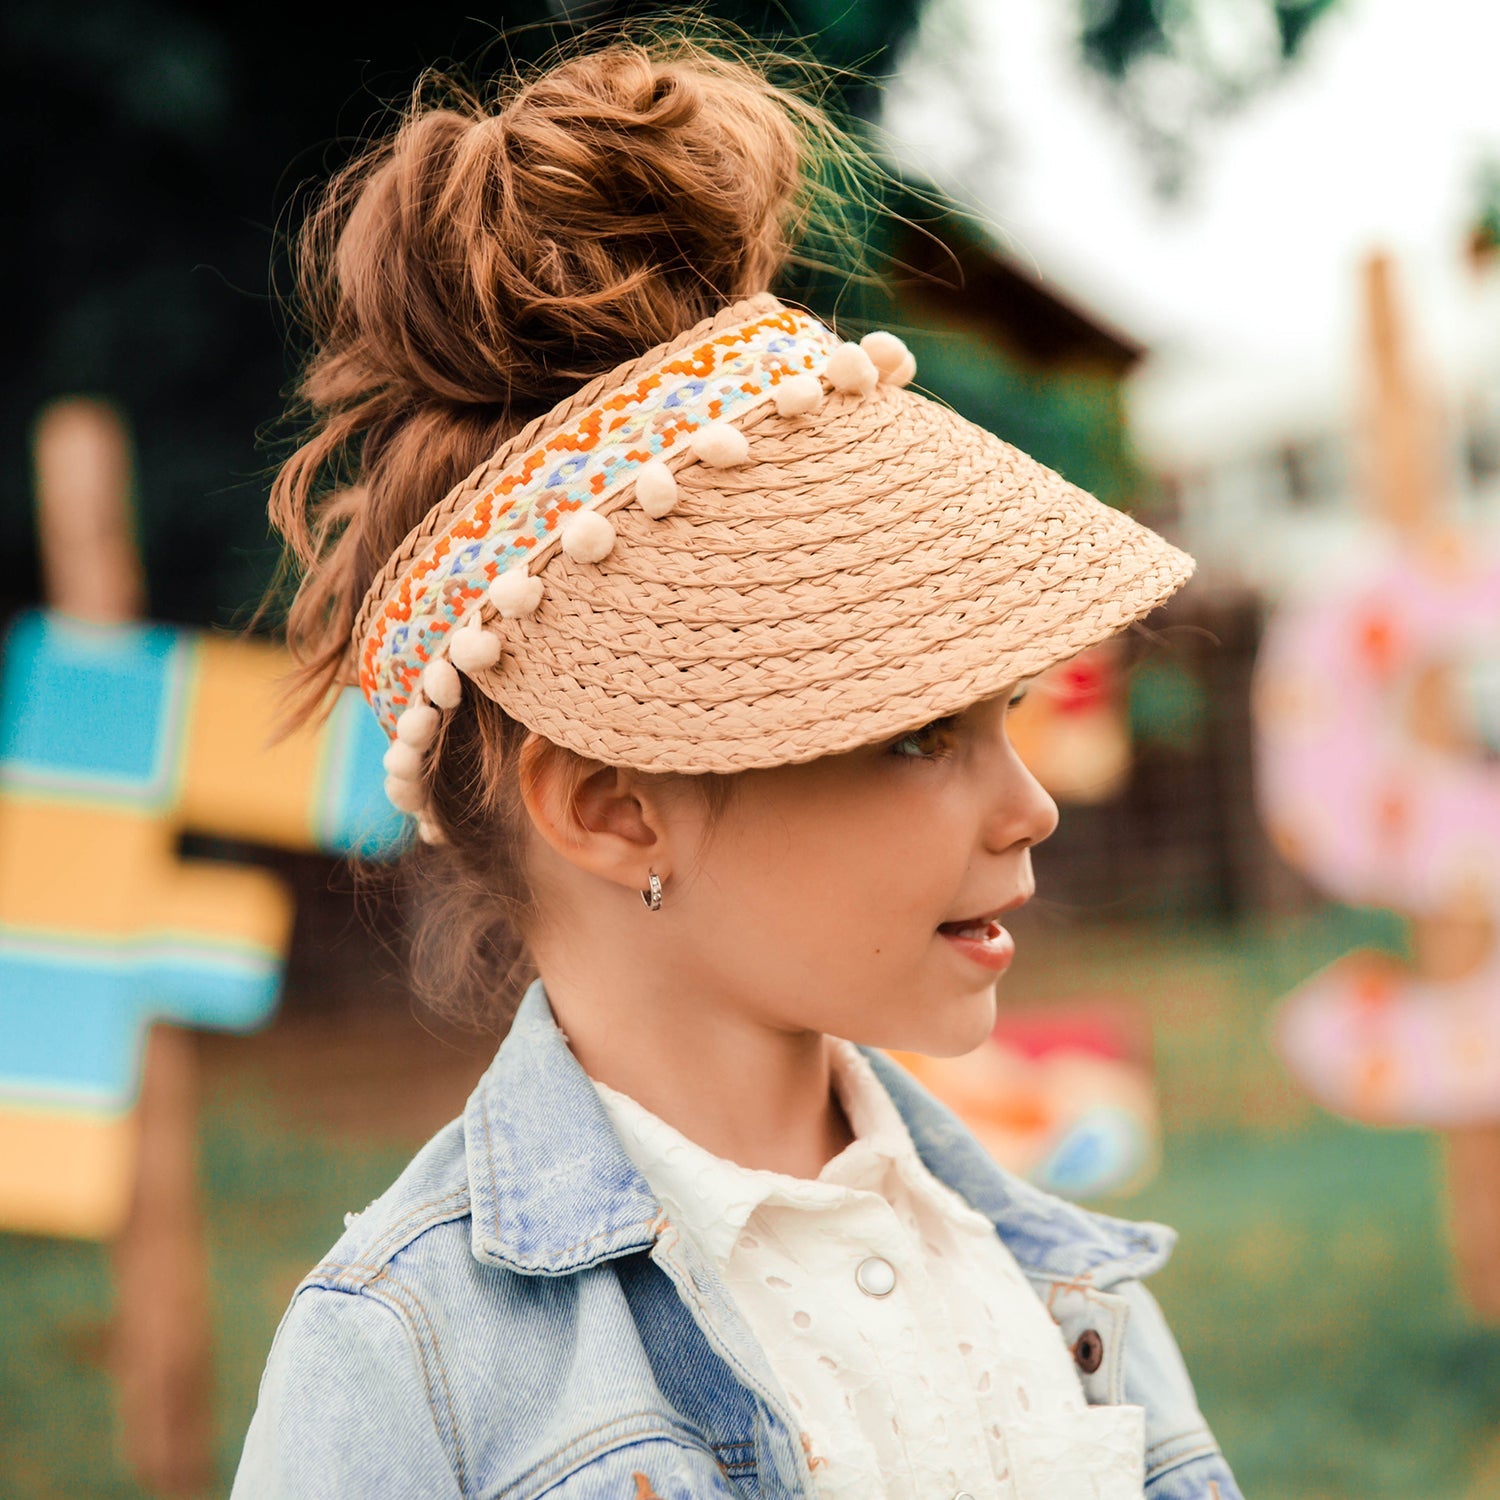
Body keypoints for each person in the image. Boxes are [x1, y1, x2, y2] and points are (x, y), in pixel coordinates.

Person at [234, 33, 1241, 1500]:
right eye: (914, 736)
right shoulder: (408, 1364)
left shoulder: (1067, 1287)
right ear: (613, 806)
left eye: (1005, 716)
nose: (1029, 806)